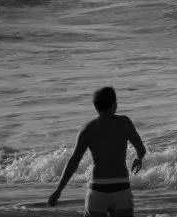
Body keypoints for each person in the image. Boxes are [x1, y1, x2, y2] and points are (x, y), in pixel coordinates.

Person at [48, 87, 146, 217]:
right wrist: (138, 158)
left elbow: (74, 161)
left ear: (96, 106)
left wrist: (58, 190)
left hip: (98, 190)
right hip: (121, 189)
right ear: (113, 104)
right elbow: (141, 149)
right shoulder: (124, 123)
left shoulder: (87, 128)